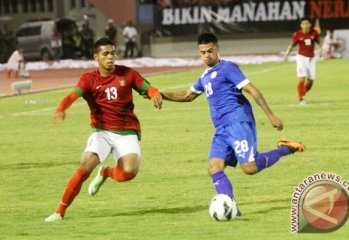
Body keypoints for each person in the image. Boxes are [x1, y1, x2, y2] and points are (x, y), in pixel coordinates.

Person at [160, 33, 305, 216]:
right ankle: (232, 208)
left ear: (217, 48)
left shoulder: (228, 68)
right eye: (203, 52)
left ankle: (286, 148)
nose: (207, 55)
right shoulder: (204, 76)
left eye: (210, 50)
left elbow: (253, 91)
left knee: (249, 168)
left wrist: (271, 116)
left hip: (238, 123)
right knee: (214, 167)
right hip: (221, 130)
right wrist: (161, 94)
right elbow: (187, 96)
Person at [45, 38, 162, 222]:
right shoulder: (89, 79)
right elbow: (72, 95)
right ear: (96, 57)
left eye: (112, 53)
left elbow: (148, 87)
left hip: (127, 131)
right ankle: (59, 212)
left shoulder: (128, 74)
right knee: (84, 167)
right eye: (105, 54)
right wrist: (61, 108)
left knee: (129, 173)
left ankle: (105, 172)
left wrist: (154, 93)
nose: (110, 57)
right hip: (102, 132)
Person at [284, 17, 322, 106]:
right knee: (302, 77)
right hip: (301, 58)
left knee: (311, 80)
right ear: (301, 25)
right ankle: (301, 100)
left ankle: (303, 93)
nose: (305, 25)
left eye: (307, 23)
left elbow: (319, 41)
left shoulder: (314, 33)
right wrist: (287, 53)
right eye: (303, 24)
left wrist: (321, 48)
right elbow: (292, 45)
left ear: (310, 24)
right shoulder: (297, 34)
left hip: (311, 58)